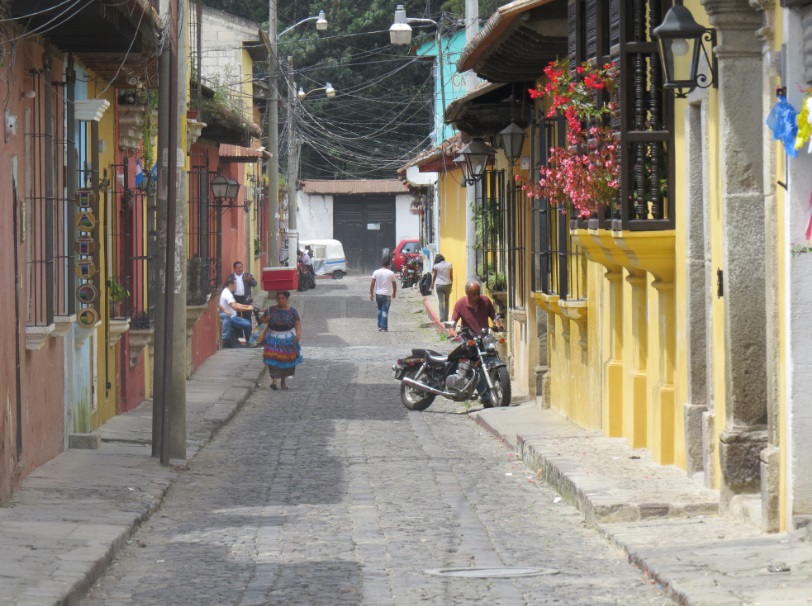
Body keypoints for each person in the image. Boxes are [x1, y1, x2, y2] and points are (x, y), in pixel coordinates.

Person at [448, 280, 504, 404]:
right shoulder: (460, 304)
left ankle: (496, 389)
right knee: (478, 367)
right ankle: (486, 397)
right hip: (470, 341)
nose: (477, 296)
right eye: (473, 294)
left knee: (492, 359)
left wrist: (498, 324)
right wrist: (452, 330)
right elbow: (453, 321)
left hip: (484, 339)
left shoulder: (485, 301)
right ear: (467, 293)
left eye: (478, 293)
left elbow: (494, 316)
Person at [260, 291, 302, 390]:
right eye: (278, 298)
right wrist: (266, 319)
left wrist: (298, 335)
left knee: (285, 360)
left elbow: (297, 323)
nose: (280, 300)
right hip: (273, 338)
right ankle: (274, 381)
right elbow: (262, 320)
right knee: (272, 359)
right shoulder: (270, 310)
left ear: (287, 299)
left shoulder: (292, 311)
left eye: (283, 298)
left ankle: (283, 382)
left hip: (288, 339)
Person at [219, 277, 254, 347]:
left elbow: (236, 304)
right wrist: (248, 309)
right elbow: (235, 307)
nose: (236, 286)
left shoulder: (228, 292)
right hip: (231, 318)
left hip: (233, 316)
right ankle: (248, 341)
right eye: (235, 284)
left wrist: (247, 306)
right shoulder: (227, 294)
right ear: (230, 284)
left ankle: (241, 340)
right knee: (247, 325)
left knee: (247, 322)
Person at [369, 256, 397, 332]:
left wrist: (371, 293)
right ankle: (384, 326)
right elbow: (394, 284)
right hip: (387, 294)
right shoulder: (391, 273)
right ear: (389, 264)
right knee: (385, 310)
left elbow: (372, 284)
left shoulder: (376, 272)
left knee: (379, 309)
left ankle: (379, 325)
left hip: (378, 294)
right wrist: (394, 292)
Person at [431, 254, 453, 322]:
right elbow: (451, 276)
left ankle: (441, 318)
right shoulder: (449, 265)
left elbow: (434, 276)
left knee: (441, 301)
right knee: (447, 301)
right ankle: (446, 318)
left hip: (439, 284)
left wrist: (432, 284)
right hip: (448, 284)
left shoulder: (436, 266)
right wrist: (451, 284)